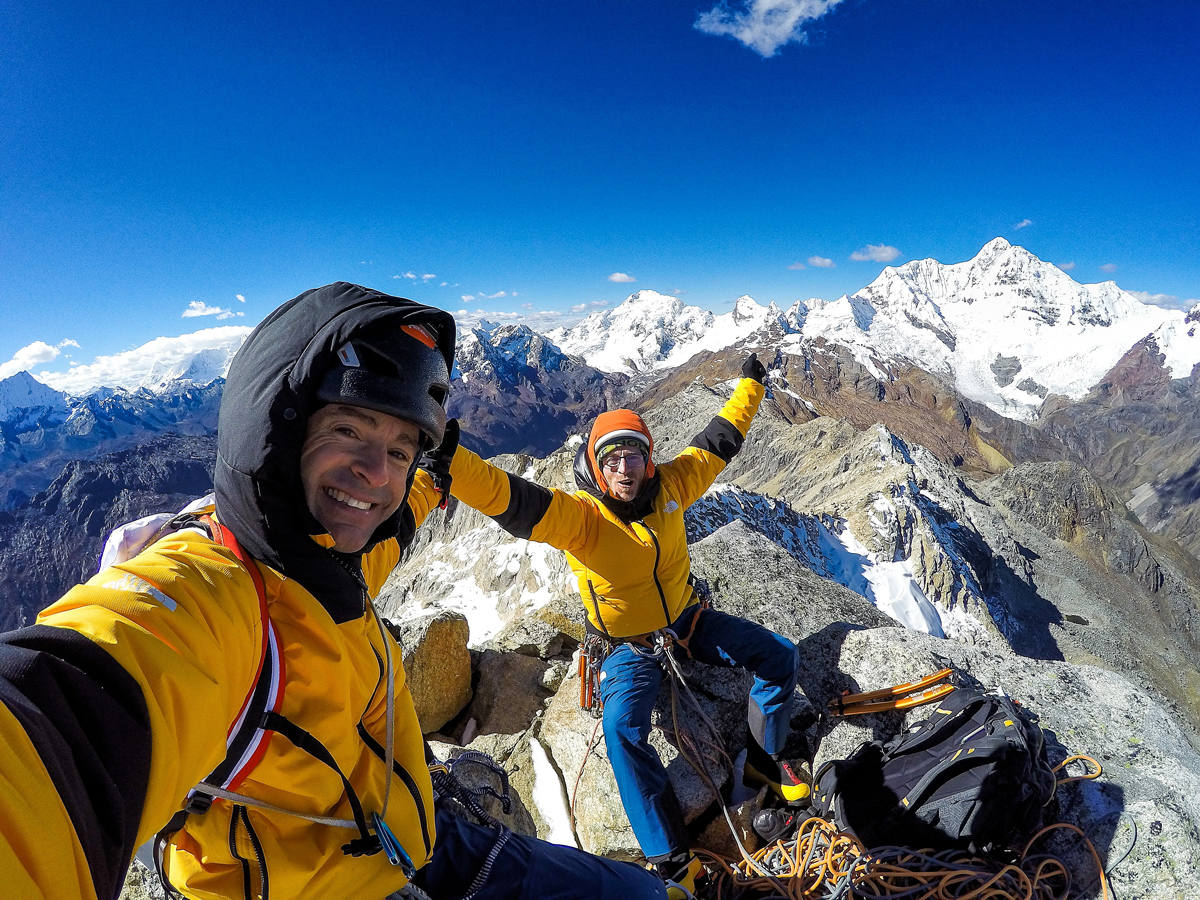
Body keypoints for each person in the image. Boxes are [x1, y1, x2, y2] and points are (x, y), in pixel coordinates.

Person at [0, 282, 666, 900]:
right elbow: (56, 723)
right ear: (273, 431)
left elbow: (407, 506)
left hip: (408, 838)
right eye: (347, 428)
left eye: (401, 448)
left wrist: (446, 474)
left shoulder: (330, 556)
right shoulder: (210, 596)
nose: (377, 475)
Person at [428, 354, 804, 897]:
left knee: (780, 656)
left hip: (686, 621)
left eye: (634, 454)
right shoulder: (581, 520)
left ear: (649, 459)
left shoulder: (674, 486)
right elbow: (510, 498)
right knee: (623, 732)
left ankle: (767, 762)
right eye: (612, 459)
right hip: (626, 648)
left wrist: (751, 385)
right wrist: (453, 463)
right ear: (596, 468)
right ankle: (669, 857)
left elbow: (721, 438)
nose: (625, 468)